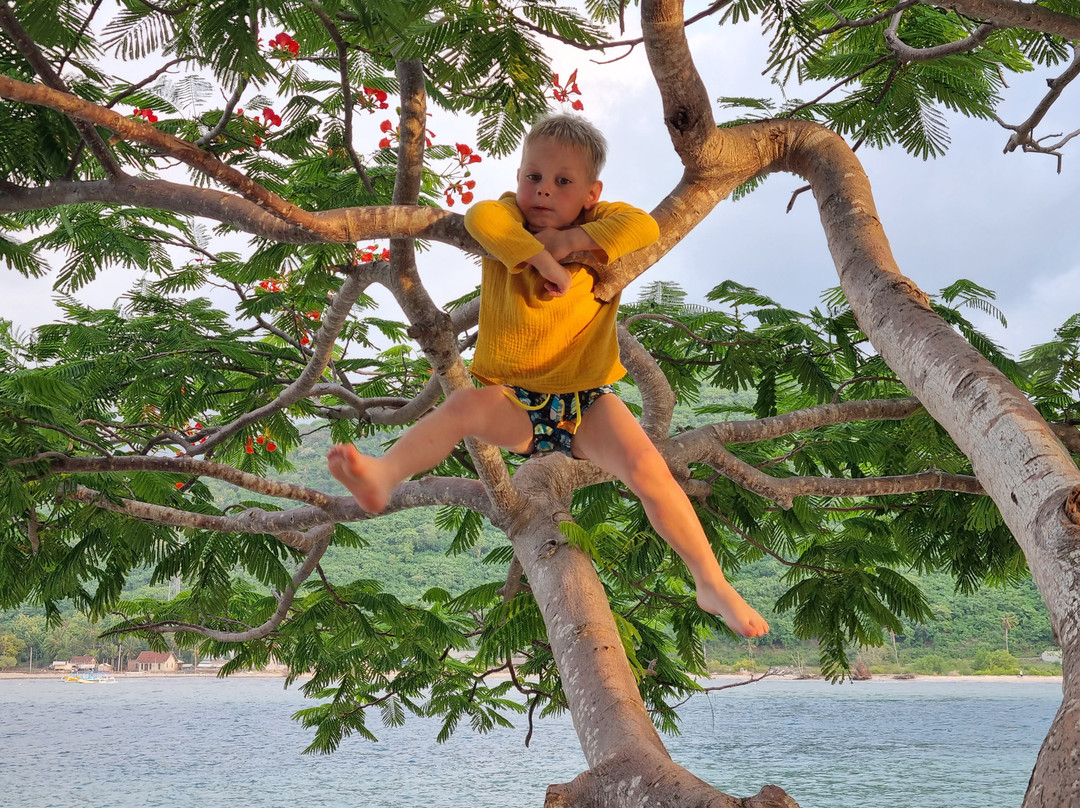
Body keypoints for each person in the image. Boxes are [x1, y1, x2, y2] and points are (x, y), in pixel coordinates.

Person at [328, 113, 769, 637]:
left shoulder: (607, 225)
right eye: (532, 176)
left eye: (563, 182)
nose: (543, 190)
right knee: (462, 408)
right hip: (515, 400)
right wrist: (540, 257)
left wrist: (569, 243)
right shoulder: (506, 225)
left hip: (588, 403)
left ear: (590, 193)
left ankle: (711, 581)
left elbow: (645, 226)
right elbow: (478, 219)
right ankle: (383, 476)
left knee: (651, 473)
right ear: (518, 178)